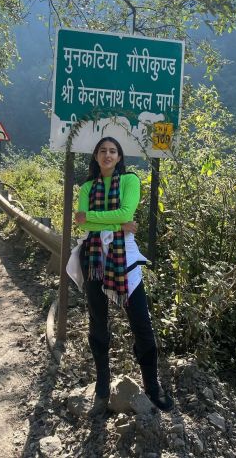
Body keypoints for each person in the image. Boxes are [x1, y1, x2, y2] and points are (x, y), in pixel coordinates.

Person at [68, 136, 173, 414]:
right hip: (93, 257)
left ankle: (152, 385)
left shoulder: (130, 181)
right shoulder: (87, 187)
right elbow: (84, 223)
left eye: (113, 151)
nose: (107, 154)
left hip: (124, 258)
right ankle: (102, 381)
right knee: (97, 322)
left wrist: (92, 217)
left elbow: (125, 212)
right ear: (95, 156)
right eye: (102, 150)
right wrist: (120, 223)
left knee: (142, 322)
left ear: (119, 156)